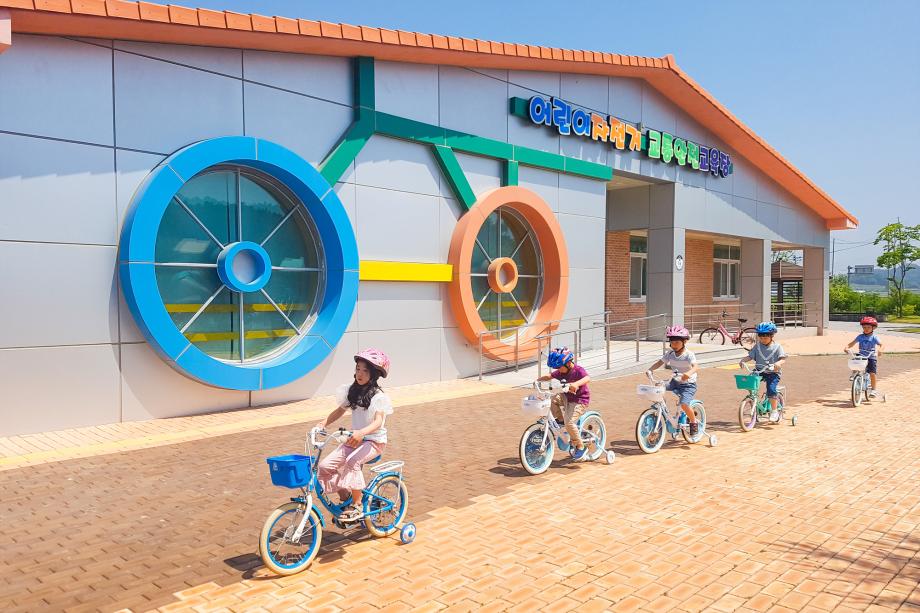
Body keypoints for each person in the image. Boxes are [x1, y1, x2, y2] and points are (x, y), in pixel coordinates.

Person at [316, 348, 393, 522]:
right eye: (358, 369)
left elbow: (378, 422)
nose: (360, 373)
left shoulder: (378, 396)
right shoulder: (352, 391)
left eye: (365, 370)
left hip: (374, 441)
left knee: (352, 462)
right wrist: (323, 423)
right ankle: (346, 497)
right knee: (324, 467)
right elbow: (339, 410)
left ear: (374, 374)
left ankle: (357, 504)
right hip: (355, 440)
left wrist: (361, 432)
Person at [537, 347, 591, 461]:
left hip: (579, 400)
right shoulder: (561, 371)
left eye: (559, 367)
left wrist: (576, 384)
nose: (558, 370)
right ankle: (560, 420)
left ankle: (580, 446)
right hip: (567, 397)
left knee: (569, 422)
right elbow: (549, 376)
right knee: (552, 400)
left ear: (568, 363)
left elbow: (587, 378)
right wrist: (537, 380)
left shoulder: (578, 370)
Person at [646, 325, 700, 436]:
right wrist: (650, 369)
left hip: (688, 385)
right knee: (658, 386)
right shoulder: (670, 353)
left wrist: (688, 374)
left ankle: (693, 422)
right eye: (671, 342)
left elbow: (696, 367)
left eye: (676, 342)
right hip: (675, 381)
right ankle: (662, 406)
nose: (674, 345)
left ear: (684, 341)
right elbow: (660, 362)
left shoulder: (688, 355)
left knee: (684, 404)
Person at [740, 322, 786, 422]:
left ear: (772, 336)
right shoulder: (757, 346)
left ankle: (774, 411)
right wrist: (743, 360)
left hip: (773, 373)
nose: (763, 340)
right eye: (761, 337)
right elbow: (750, 356)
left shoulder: (777, 347)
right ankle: (754, 401)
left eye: (765, 337)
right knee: (749, 382)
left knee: (771, 389)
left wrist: (778, 363)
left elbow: (783, 359)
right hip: (759, 371)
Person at [844, 316, 883, 397]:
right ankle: (854, 373)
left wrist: (880, 350)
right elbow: (852, 343)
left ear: (873, 328)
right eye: (864, 327)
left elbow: (881, 345)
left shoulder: (874, 337)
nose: (866, 329)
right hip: (861, 355)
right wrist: (847, 347)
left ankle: (873, 390)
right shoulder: (860, 336)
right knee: (855, 360)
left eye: (868, 327)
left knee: (872, 373)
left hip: (871, 356)